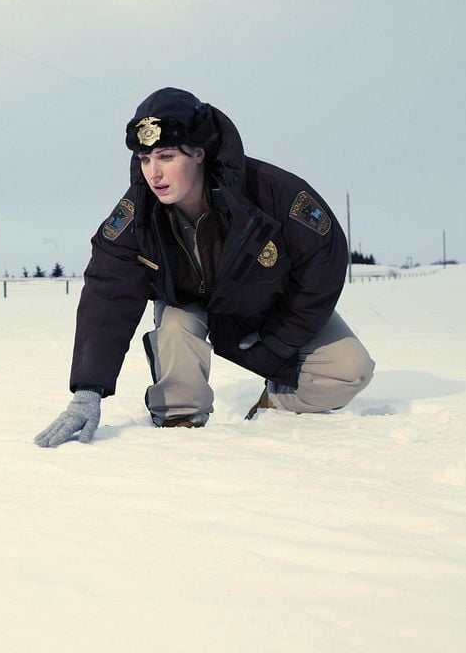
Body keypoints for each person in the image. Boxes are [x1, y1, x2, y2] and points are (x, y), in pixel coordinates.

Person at [35, 87, 374, 447]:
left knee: (351, 370)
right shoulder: (136, 214)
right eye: (144, 159)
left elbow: (323, 264)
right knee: (177, 329)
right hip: (189, 305)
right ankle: (180, 428)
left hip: (269, 308)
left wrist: (275, 343)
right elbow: (107, 291)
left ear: (199, 153)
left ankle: (275, 404)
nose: (154, 173)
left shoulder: (272, 193)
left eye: (165, 156)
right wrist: (89, 390)